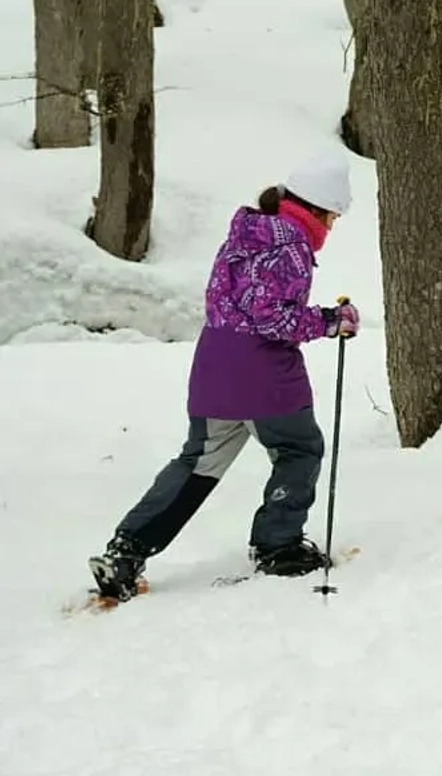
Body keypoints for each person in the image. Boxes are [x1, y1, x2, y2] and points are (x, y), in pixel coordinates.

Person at [87, 150, 362, 600]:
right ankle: (279, 546)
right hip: (263, 372)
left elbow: (237, 301)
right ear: (314, 208)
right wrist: (330, 321)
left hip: (215, 362)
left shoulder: (248, 232)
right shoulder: (290, 244)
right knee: (299, 449)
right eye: (331, 216)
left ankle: (125, 551)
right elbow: (270, 316)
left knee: (199, 462)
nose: (330, 227)